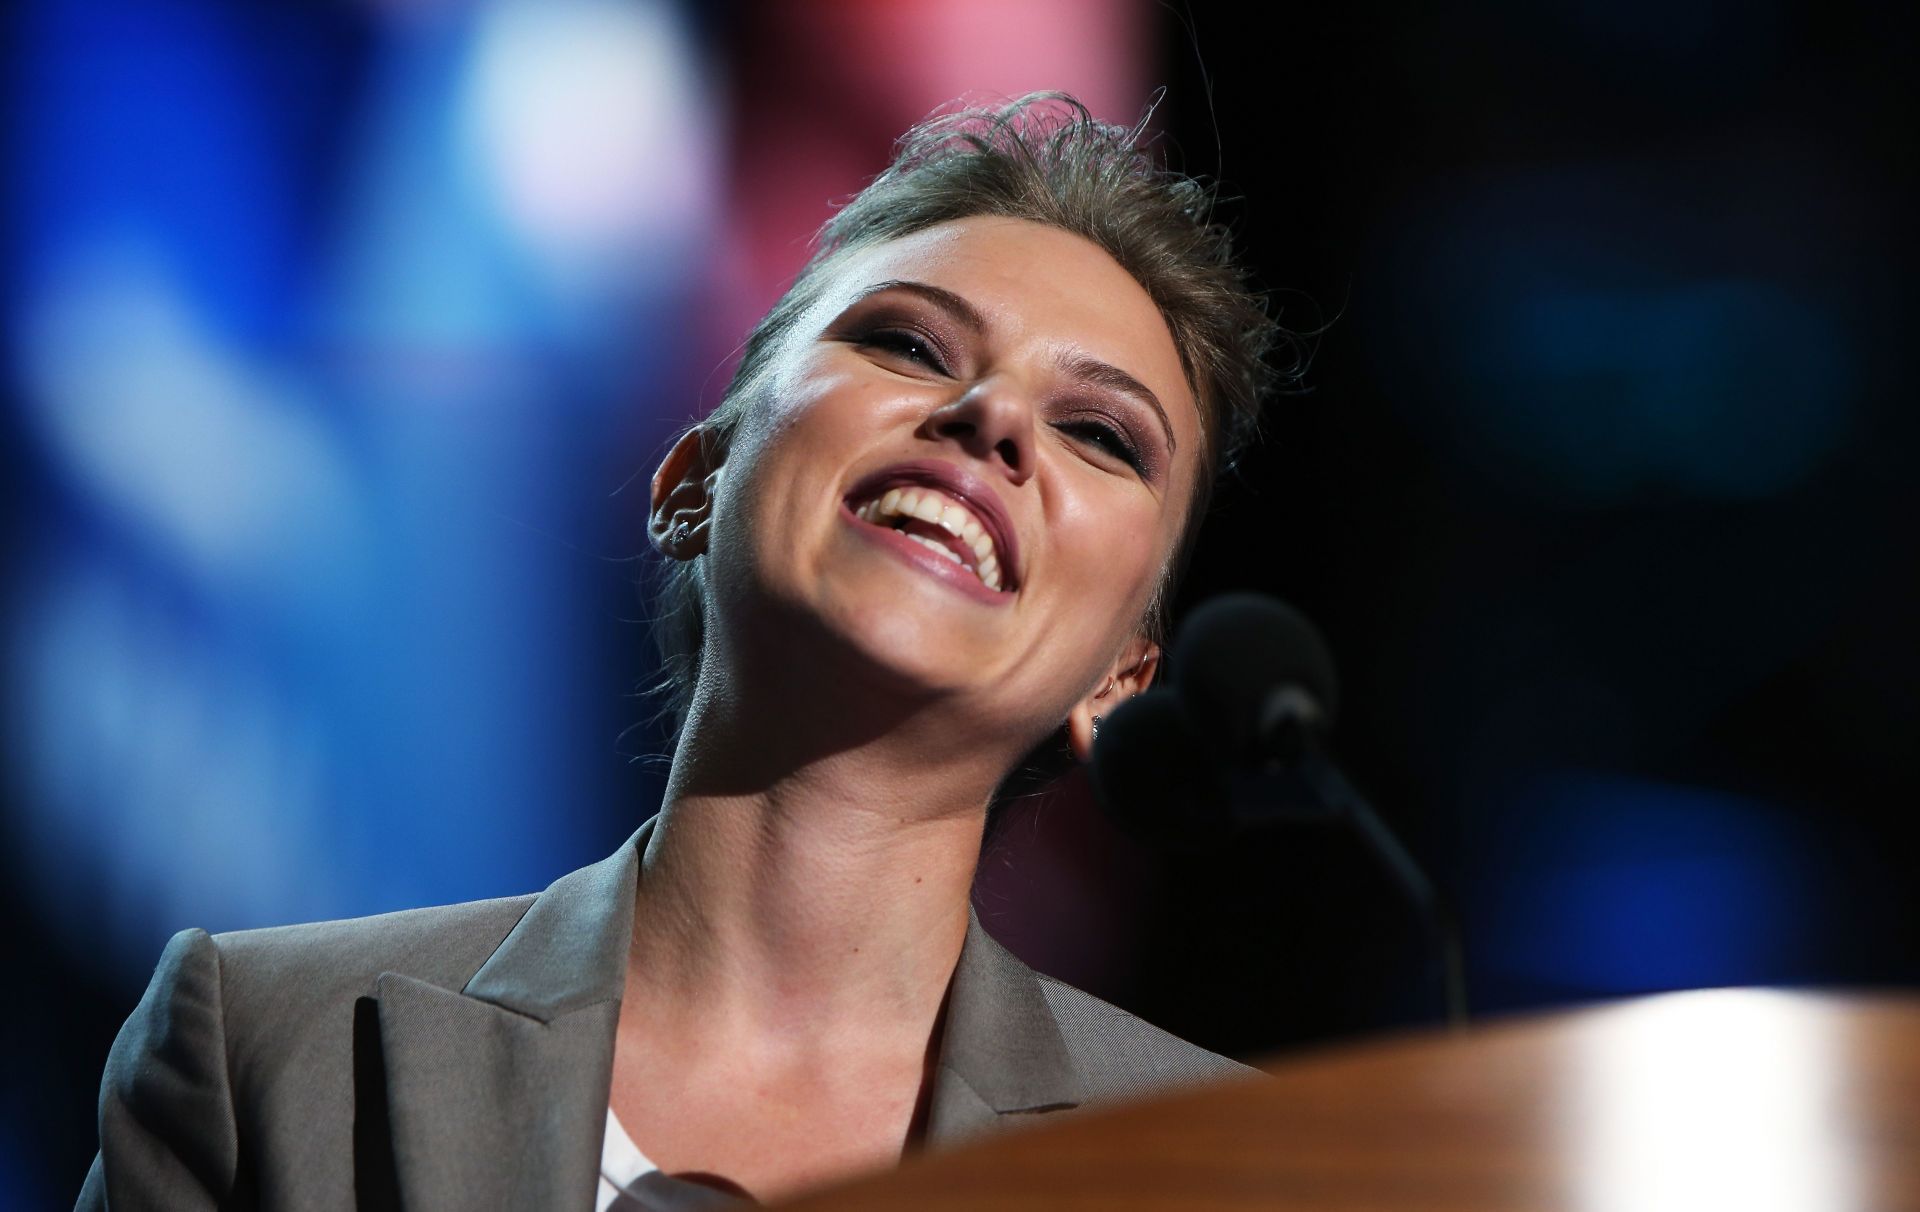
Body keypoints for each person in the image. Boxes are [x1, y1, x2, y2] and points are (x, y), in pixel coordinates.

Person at [78, 92, 1287, 1210]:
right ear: (690, 485)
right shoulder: (266, 1042)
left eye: (1098, 433)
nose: (993, 420)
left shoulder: (1227, 1168)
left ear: (1123, 680)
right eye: (911, 346)